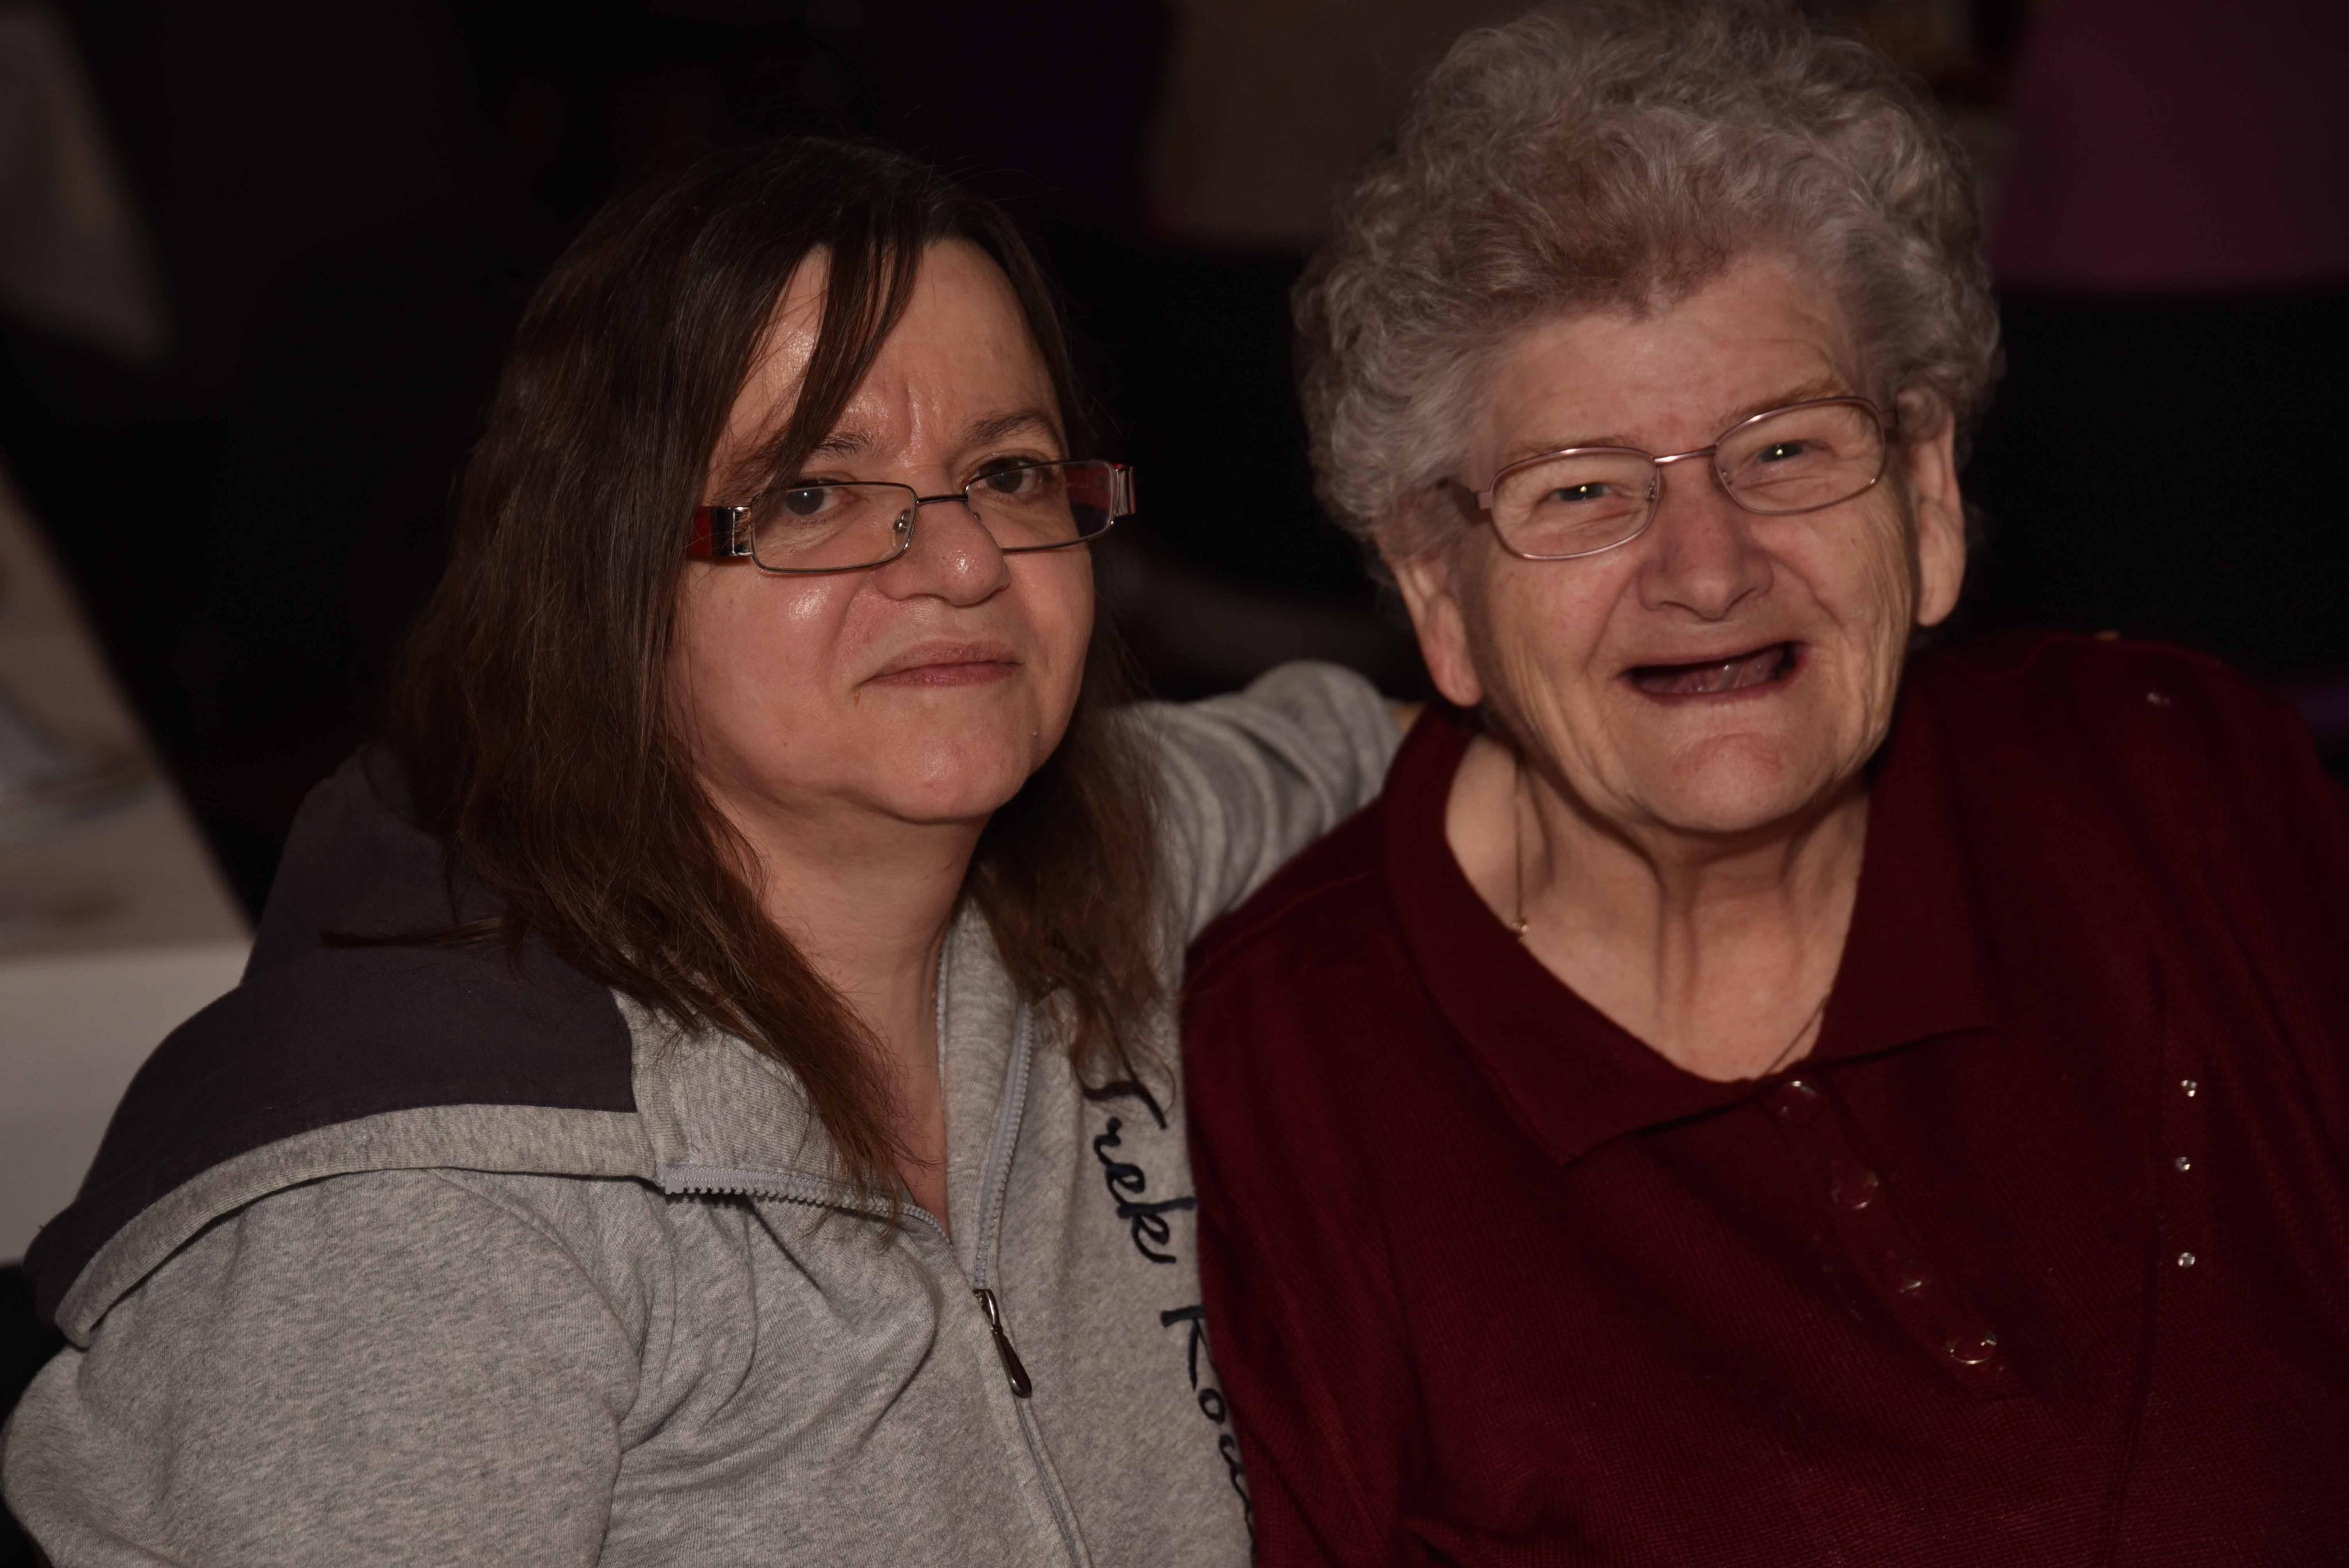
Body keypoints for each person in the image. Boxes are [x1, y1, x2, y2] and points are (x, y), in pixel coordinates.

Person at [1, 138, 1402, 1565]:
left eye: (1007, 471)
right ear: (604, 574)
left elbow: (1390, 742)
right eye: (811, 495)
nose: (966, 560)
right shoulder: (445, 1204)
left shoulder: (1106, 861)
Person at [1181, 4, 2349, 1562]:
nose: (1708, 567)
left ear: (1925, 494)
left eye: (1785, 451)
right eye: (1582, 490)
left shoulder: (2172, 782)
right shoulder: (1299, 1067)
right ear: (1439, 591)